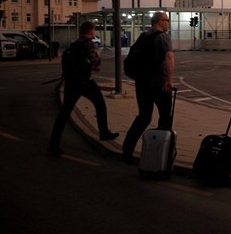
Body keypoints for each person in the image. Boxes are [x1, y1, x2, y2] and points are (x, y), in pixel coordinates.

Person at [49, 21, 118, 155]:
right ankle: (104, 132)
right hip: (85, 82)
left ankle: (53, 144)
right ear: (91, 31)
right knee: (100, 104)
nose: (94, 33)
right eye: (93, 30)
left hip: (71, 82)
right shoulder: (88, 43)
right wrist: (97, 57)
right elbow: (93, 62)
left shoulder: (74, 44)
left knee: (64, 113)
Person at [122, 11, 175, 164]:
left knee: (143, 117)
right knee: (165, 118)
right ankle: (160, 155)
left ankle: (127, 150)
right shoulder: (163, 37)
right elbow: (169, 57)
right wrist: (169, 80)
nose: (168, 23)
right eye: (167, 20)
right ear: (159, 21)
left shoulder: (143, 36)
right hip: (159, 85)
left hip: (142, 85)